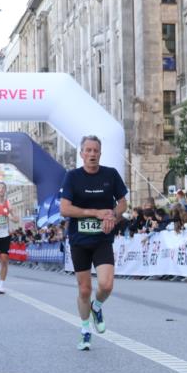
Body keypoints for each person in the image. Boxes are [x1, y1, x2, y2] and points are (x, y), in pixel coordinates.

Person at [59, 135, 128, 351]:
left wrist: (112, 217)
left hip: (101, 239)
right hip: (79, 240)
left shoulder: (110, 175)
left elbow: (123, 203)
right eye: (87, 150)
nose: (92, 154)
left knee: (106, 285)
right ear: (81, 154)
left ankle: (97, 307)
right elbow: (64, 209)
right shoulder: (72, 177)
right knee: (85, 289)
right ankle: (85, 330)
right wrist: (94, 212)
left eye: (95, 151)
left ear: (100, 153)